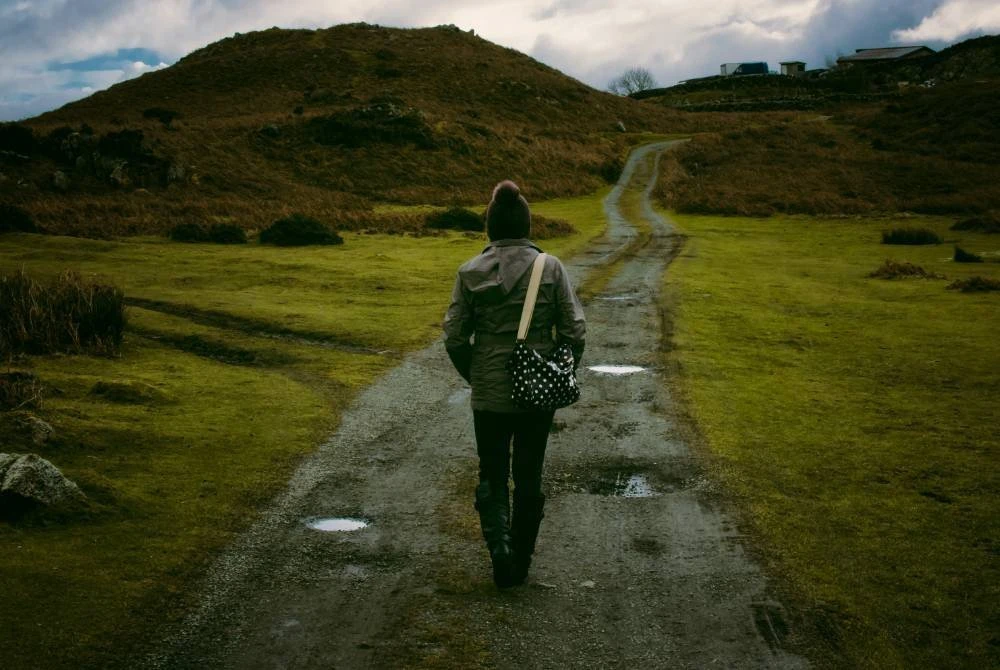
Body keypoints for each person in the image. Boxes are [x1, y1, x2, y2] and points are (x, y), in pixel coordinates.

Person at [443, 180, 586, 588]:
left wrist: (477, 374)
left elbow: (454, 335)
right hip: (536, 392)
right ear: (526, 223)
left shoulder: (469, 271)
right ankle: (521, 559)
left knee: (492, 471)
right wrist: (560, 370)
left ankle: (499, 551)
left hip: (488, 392)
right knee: (528, 473)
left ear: (490, 227)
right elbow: (575, 330)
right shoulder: (551, 267)